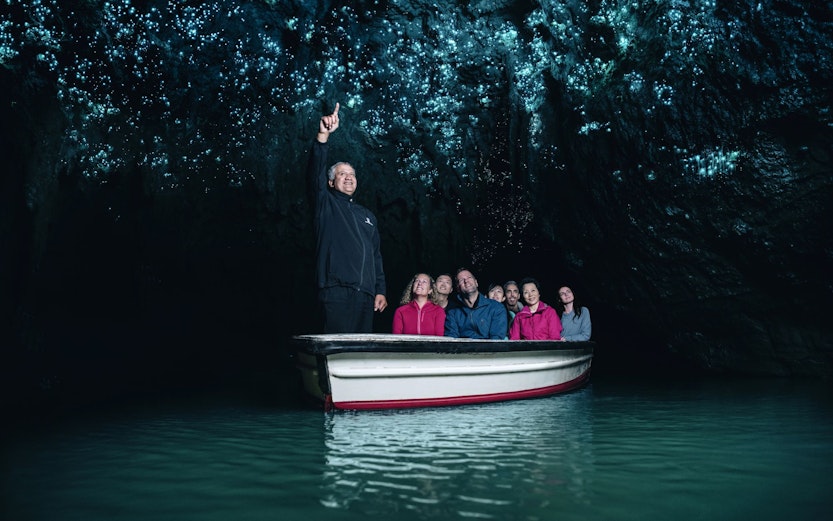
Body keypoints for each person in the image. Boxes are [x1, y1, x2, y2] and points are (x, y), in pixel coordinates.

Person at [307, 102, 387, 333]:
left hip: (366, 295)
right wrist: (323, 136)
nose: (349, 178)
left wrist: (379, 289)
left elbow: (376, 256)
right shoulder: (326, 203)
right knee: (336, 349)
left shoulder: (367, 216)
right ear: (331, 182)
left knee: (360, 353)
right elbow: (314, 174)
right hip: (336, 291)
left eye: (352, 174)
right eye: (342, 174)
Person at [444, 268, 508, 339]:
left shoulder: (496, 307)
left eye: (469, 277)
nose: (466, 281)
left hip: (489, 349)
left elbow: (496, 340)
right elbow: (451, 340)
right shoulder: (453, 313)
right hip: (464, 349)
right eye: (461, 280)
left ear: (476, 283)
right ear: (458, 288)